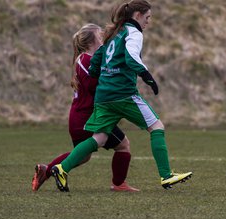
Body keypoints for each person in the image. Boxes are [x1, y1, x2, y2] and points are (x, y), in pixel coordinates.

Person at [51, 0, 192, 192]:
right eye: (148, 17)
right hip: (123, 94)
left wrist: (95, 72)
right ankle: (166, 176)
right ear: (137, 16)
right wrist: (147, 76)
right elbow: (131, 56)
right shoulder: (133, 33)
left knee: (99, 138)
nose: (148, 22)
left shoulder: (114, 32)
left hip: (104, 97)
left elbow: (98, 56)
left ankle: (62, 168)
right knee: (156, 126)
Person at [31, 23, 139, 192]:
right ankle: (118, 184)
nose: (103, 38)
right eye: (100, 35)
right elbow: (94, 86)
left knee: (83, 157)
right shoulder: (85, 60)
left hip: (86, 115)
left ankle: (47, 169)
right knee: (123, 145)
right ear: (90, 42)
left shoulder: (89, 59)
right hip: (87, 117)